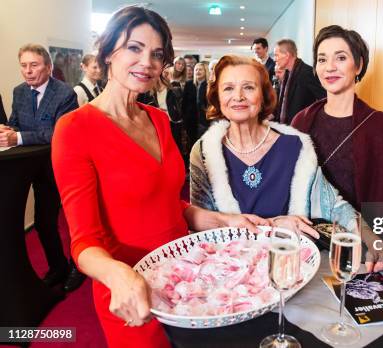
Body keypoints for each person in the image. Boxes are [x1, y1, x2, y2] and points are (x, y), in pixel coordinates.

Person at [51, 7, 268, 348]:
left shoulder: (158, 119)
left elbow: (170, 203)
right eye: (134, 48)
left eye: (156, 54)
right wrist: (118, 276)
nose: (147, 62)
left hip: (187, 279)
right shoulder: (74, 129)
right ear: (108, 52)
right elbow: (83, 243)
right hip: (132, 292)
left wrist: (223, 220)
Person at [190, 55, 383, 271]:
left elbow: (333, 205)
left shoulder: (295, 146)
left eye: (249, 87)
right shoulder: (204, 152)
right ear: (217, 97)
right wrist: (274, 225)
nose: (238, 96)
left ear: (263, 94)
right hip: (234, 275)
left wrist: (372, 239)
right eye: (228, 88)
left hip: (290, 267)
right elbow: (202, 228)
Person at [292, 25, 383, 271]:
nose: (329, 67)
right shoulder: (301, 121)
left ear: (358, 65)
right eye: (322, 59)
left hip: (361, 251)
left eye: (341, 57)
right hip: (308, 247)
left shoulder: (381, 126)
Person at [0, 43, 86, 291]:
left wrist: (19, 137)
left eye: (34, 65)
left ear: (48, 67)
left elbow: (59, 132)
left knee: (73, 223)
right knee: (43, 223)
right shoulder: (19, 92)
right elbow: (17, 122)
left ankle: (78, 267)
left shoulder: (65, 94)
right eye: (24, 66)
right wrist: (9, 130)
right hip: (31, 168)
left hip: (62, 167)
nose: (28, 71)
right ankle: (58, 267)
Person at [273, 38, 325, 125]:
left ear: (287, 55)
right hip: (288, 127)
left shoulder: (306, 72)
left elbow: (323, 99)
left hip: (302, 128)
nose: (275, 59)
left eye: (276, 55)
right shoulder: (287, 74)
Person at [193, 61, 210, 136]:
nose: (198, 71)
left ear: (205, 71)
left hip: (205, 121)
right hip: (194, 120)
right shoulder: (192, 84)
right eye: (196, 70)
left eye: (200, 69)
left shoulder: (208, 85)